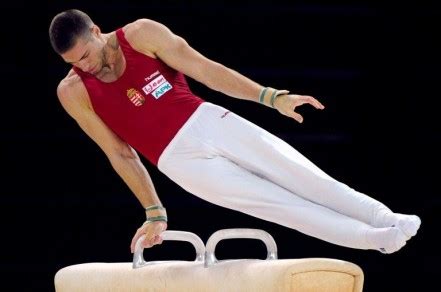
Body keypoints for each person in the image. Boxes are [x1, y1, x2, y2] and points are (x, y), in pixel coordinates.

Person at [49, 9, 421, 255]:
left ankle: (384, 217)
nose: (84, 66)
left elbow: (207, 70)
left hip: (207, 121)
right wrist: (154, 210)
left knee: (304, 176)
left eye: (85, 55)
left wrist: (270, 97)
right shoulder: (73, 91)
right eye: (73, 62)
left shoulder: (142, 34)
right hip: (178, 162)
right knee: (278, 206)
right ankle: (373, 240)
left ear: (96, 31)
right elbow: (118, 152)